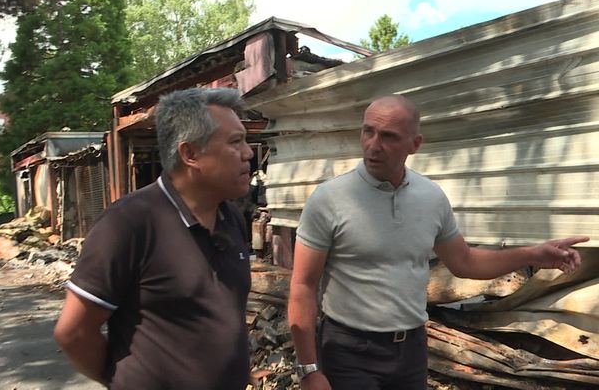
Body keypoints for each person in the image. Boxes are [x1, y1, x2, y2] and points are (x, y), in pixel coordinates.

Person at [287, 95, 589, 390]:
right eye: (368, 132)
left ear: (414, 144)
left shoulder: (430, 197)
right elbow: (303, 285)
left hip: (412, 349)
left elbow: (465, 262)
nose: (373, 146)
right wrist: (309, 370)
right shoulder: (329, 200)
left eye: (389, 136)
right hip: (348, 351)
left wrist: (533, 254)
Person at [54, 87, 255, 389]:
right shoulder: (129, 224)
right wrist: (122, 380)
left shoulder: (231, 218)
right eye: (235, 142)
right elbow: (73, 333)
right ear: (190, 154)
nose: (249, 153)